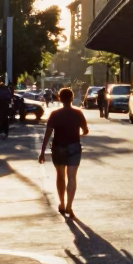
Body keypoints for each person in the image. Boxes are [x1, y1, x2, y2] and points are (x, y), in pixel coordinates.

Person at [39, 87, 89, 217]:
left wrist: (42, 151)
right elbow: (85, 130)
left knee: (60, 177)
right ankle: (69, 206)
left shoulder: (55, 114)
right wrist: (80, 135)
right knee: (72, 177)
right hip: (74, 147)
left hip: (58, 147)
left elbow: (48, 134)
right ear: (72, 98)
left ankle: (61, 203)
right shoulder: (78, 113)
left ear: (60, 98)